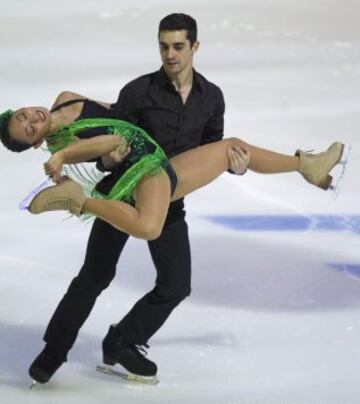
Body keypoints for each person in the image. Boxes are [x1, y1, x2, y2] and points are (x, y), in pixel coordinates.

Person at [0, 13, 346, 385]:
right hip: (128, 184)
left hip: (170, 182)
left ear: (194, 47)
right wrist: (96, 159)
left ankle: (124, 341)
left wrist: (240, 168)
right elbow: (114, 140)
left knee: (176, 284)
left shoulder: (210, 98)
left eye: (178, 46)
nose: (170, 54)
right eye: (164, 46)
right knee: (95, 276)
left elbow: (204, 148)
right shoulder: (138, 91)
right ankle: (54, 351)